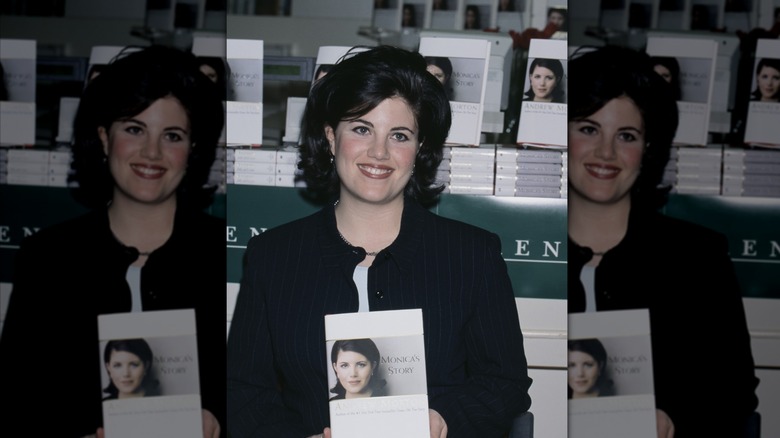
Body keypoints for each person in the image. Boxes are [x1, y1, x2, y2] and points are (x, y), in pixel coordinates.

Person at [226, 45, 532, 438]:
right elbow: (244, 391)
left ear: (419, 149)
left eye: (399, 135)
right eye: (361, 128)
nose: (379, 152)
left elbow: (505, 383)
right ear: (331, 138)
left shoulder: (473, 254)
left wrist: (443, 419)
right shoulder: (273, 257)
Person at [0, 44, 226, 438]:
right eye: (134, 129)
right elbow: (16, 403)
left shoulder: (224, 255)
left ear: (193, 150)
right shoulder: (48, 258)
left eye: (172, 135)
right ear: (104, 138)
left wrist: (219, 419)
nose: (152, 152)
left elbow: (262, 389)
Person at [567, 45, 759, 438]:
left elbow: (735, 397)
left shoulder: (697, 257)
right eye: (588, 129)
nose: (606, 152)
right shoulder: (518, 259)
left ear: (648, 147)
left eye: (627, 135)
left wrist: (674, 418)